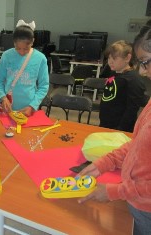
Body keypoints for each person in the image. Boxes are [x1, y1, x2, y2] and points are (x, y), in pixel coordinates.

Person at [78, 22, 151, 235]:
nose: (142, 71)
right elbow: (138, 144)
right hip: (136, 200)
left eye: (146, 62)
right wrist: (104, 163)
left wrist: (116, 191)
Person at [0, 19, 49, 117]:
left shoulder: (40, 58)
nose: (22, 52)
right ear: (14, 42)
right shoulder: (7, 56)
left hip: (29, 108)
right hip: (7, 107)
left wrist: (32, 106)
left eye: (26, 49)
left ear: (33, 42)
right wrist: (3, 97)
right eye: (18, 48)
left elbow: (43, 86)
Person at [99, 40, 149, 132]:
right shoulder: (114, 72)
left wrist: (120, 129)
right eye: (109, 58)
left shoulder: (133, 79)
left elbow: (132, 109)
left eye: (114, 59)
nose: (110, 62)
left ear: (127, 58)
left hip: (120, 128)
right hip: (106, 124)